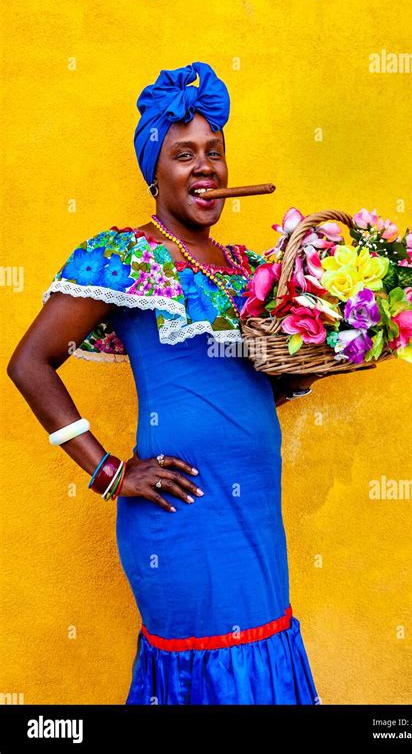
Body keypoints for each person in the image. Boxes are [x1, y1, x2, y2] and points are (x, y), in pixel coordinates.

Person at [7, 61, 325, 705]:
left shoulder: (251, 270)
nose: (205, 167)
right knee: (214, 674)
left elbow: (256, 385)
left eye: (216, 152)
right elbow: (29, 363)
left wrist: (310, 360)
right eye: (184, 155)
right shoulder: (124, 257)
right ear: (154, 170)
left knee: (264, 654)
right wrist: (110, 473)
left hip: (257, 511)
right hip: (181, 519)